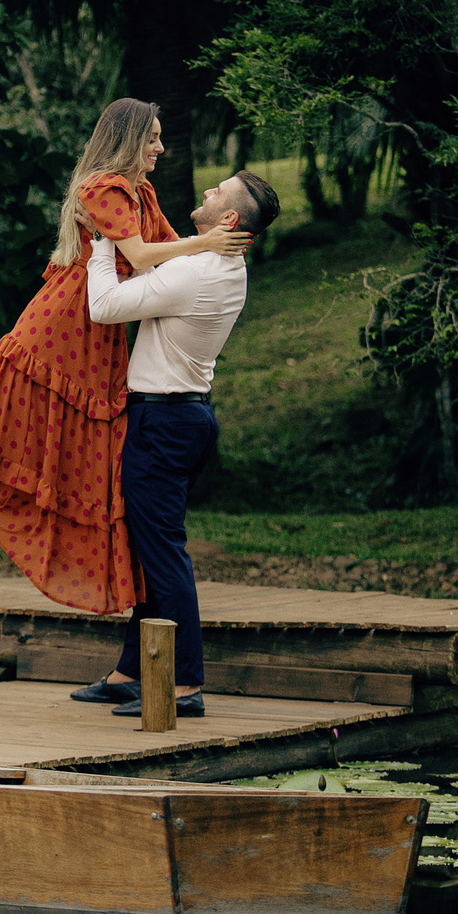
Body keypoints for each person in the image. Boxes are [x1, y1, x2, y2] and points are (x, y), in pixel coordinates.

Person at [0, 99, 250, 614]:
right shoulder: (103, 188)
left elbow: (164, 252)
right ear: (126, 140)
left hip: (100, 338)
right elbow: (141, 258)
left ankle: (132, 626)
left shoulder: (140, 191)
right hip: (63, 324)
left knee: (93, 465)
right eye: (152, 139)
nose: (161, 148)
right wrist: (207, 242)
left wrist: (210, 247)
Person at [70, 168, 280, 717]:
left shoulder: (199, 274)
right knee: (151, 547)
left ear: (229, 219)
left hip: (163, 421)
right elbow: (154, 258)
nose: (207, 192)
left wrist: (100, 245)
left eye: (218, 193)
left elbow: (105, 307)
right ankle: (128, 673)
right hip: (179, 417)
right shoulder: (213, 266)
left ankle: (186, 685)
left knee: (163, 553)